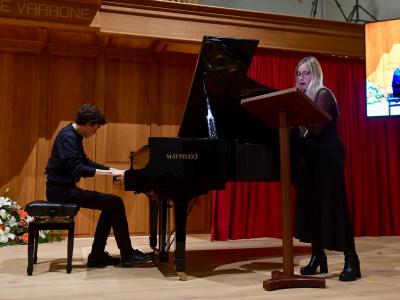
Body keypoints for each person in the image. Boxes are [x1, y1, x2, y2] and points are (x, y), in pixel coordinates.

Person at [45, 104, 152, 268]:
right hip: (61, 192)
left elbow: (85, 162)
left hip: (64, 189)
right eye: (95, 128)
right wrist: (110, 174)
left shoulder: (73, 134)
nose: (95, 132)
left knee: (111, 204)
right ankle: (126, 253)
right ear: (87, 124)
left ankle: (97, 256)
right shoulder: (68, 137)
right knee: (114, 202)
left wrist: (111, 169)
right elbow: (78, 168)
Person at [293, 56, 361, 281]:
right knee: (312, 208)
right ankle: (317, 257)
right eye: (299, 74)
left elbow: (315, 127)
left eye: (306, 74)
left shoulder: (323, 94)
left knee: (334, 206)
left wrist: (293, 110)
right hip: (309, 159)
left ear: (316, 74)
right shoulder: (301, 98)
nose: (302, 79)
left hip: (327, 156)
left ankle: (351, 260)